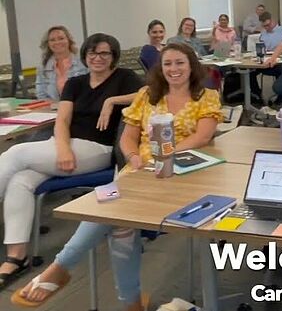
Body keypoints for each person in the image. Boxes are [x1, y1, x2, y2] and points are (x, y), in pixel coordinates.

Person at [13, 42, 221, 310]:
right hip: (138, 174)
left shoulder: (206, 96)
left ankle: (63, 268)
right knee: (112, 216)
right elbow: (128, 137)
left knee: (115, 218)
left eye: (180, 62)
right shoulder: (148, 94)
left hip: (184, 174)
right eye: (167, 63)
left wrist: (164, 155)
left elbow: (203, 136)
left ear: (192, 65)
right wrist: (134, 158)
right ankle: (128, 302)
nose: (173, 69)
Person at [0, 33, 143, 290]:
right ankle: (16, 256)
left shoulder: (124, 77)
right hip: (63, 148)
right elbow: (62, 120)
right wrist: (64, 149)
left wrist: (112, 100)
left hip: (97, 149)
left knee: (15, 154)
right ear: (85, 55)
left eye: (104, 53)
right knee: (20, 180)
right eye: (92, 53)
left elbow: (149, 92)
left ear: (114, 57)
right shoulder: (76, 83)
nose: (97, 58)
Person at [35, 26, 87, 102]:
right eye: (52, 40)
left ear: (69, 40)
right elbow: (41, 95)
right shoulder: (43, 67)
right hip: (54, 110)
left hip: (81, 108)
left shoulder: (84, 62)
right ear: (48, 44)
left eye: (61, 38)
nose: (57, 42)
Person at [249, 11, 282, 96]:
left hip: (279, 61)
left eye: (268, 25)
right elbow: (262, 46)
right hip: (266, 59)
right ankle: (257, 95)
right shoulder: (263, 33)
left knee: (281, 70)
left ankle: (281, 96)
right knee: (250, 72)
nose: (266, 28)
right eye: (264, 26)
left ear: (273, 21)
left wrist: (280, 51)